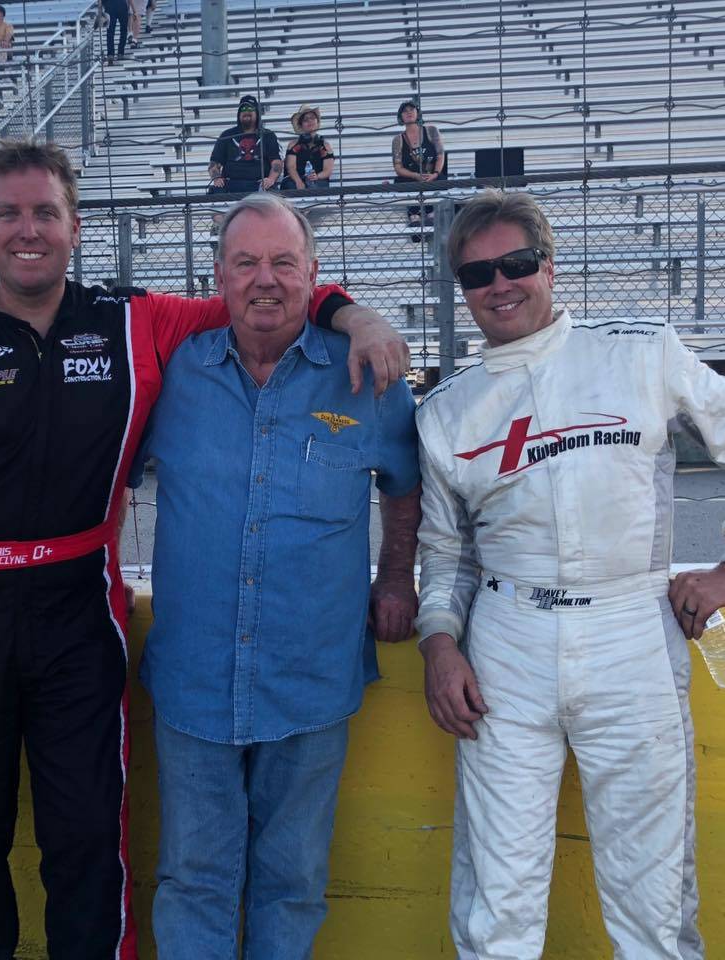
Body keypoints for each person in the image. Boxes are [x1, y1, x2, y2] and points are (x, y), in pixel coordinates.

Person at [0, 138, 409, 960]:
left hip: (78, 612)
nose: (28, 229)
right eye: (9, 213)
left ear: (76, 227)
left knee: (87, 842)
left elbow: (264, 294)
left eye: (46, 212)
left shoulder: (135, 323)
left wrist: (351, 311)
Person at [415, 189, 725, 959]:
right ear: (461, 291)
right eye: (477, 274)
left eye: (515, 264)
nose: (499, 286)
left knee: (651, 906)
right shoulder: (445, 412)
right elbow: (444, 552)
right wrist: (438, 645)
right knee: (496, 905)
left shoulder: (640, 349)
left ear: (549, 266)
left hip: (631, 631)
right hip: (504, 646)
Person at [131, 192, 422, 959]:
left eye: (283, 262)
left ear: (314, 275)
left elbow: (405, 482)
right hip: (195, 677)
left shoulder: (367, 374)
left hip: (309, 677)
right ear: (217, 276)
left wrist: (395, 578)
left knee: (292, 879)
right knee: (193, 876)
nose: (266, 279)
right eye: (246, 262)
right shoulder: (172, 374)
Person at [208, 95, 282, 193]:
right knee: (216, 190)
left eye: (250, 108)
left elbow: (276, 163)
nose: (246, 111)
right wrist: (216, 178)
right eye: (243, 109)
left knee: (271, 192)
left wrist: (271, 179)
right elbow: (214, 163)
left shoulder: (268, 135)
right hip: (231, 183)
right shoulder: (227, 135)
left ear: (257, 113)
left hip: (259, 183)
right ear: (239, 114)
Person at [391, 98, 445, 226]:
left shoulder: (431, 131)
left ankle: (431, 214)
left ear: (418, 113)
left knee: (439, 182)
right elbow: (398, 167)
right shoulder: (398, 140)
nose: (409, 113)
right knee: (402, 183)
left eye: (412, 110)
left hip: (431, 176)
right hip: (411, 179)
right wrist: (415, 175)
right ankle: (414, 217)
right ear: (401, 117)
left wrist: (435, 173)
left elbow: (440, 154)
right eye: (405, 111)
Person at [282, 103, 334, 190]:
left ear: (317, 122)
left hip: (318, 181)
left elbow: (328, 170)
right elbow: (291, 167)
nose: (310, 121)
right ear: (301, 124)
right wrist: (298, 181)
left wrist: (317, 176)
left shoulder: (325, 145)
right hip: (294, 181)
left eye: (312, 118)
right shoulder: (293, 144)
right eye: (306, 120)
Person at [103, 0, 129, 65]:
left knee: (110, 32)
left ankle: (111, 54)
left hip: (110, 5)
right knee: (123, 30)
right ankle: (120, 53)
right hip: (120, 4)